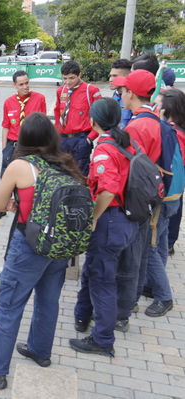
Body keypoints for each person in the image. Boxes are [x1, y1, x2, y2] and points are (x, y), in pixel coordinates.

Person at [0, 113, 79, 390]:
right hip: (58, 245)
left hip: (28, 244)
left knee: (10, 305)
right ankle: (40, 351)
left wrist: (15, 203)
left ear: (24, 138)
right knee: (48, 300)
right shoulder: (65, 162)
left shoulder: (20, 166)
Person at [70, 98, 138, 357]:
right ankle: (82, 315)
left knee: (103, 282)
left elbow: (108, 189)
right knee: (94, 271)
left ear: (93, 121)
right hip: (124, 219)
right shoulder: (124, 141)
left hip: (110, 221)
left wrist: (94, 216)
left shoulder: (103, 149)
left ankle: (102, 339)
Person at [116, 69, 177, 317]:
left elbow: (127, 169)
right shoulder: (155, 119)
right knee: (157, 245)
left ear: (130, 93)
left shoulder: (137, 126)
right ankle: (149, 289)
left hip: (142, 197)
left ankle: (145, 297)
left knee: (140, 254)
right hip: (161, 193)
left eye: (122, 90)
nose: (120, 93)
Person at [0, 70, 46, 220]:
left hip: (32, 145)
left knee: (32, 176)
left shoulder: (40, 99)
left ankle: (32, 206)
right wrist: (4, 148)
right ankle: (3, 206)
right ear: (14, 85)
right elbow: (5, 125)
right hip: (13, 144)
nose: (25, 87)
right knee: (5, 175)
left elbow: (43, 124)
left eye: (27, 83)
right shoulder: (8, 102)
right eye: (21, 84)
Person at [54, 60, 102, 176]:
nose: (68, 82)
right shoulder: (61, 91)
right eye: (65, 78)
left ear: (80, 74)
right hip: (63, 140)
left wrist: (89, 138)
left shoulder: (90, 91)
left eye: (72, 78)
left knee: (81, 175)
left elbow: (100, 117)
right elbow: (57, 115)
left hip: (81, 139)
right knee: (63, 173)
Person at [161, 90, 185, 257]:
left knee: (170, 214)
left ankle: (168, 242)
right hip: (177, 184)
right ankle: (169, 242)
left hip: (171, 183)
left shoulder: (173, 132)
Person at [109, 59, 133, 129]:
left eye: (115, 76)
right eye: (110, 76)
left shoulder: (133, 98)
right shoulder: (115, 95)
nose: (110, 79)